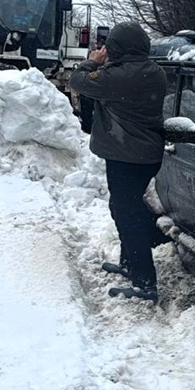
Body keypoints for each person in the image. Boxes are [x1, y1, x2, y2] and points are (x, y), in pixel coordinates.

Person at [69, 22, 167, 302]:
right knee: (127, 206)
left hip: (127, 156)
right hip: (144, 154)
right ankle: (129, 264)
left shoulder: (118, 76)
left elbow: (77, 81)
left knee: (128, 215)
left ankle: (145, 283)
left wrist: (91, 61)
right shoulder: (154, 70)